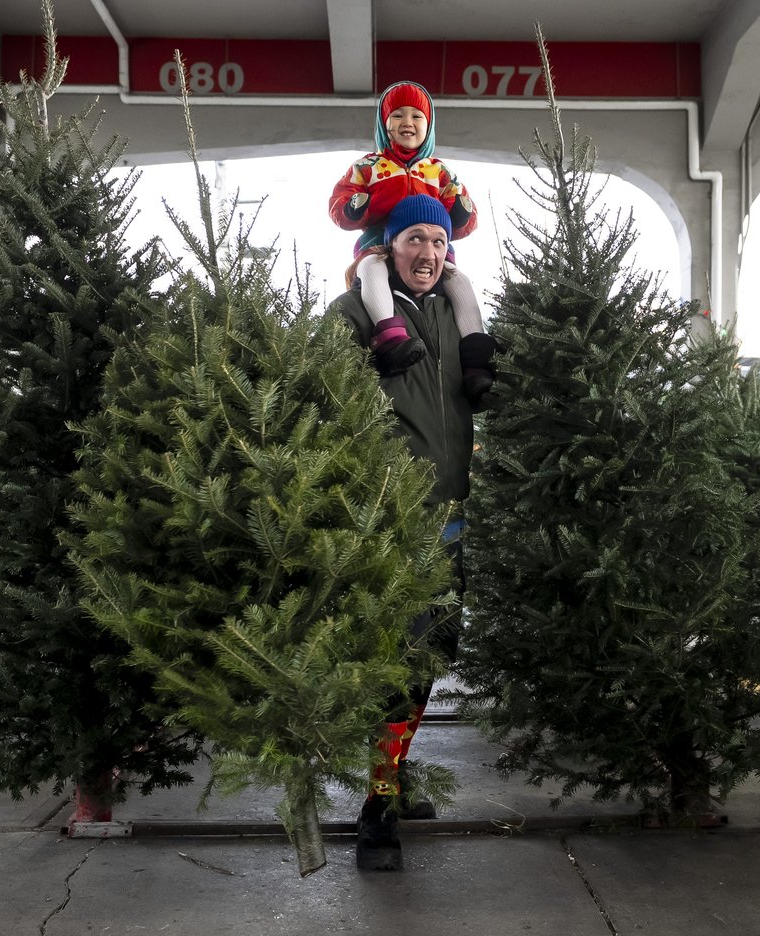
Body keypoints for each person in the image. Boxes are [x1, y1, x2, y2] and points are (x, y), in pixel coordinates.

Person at [330, 194, 486, 871]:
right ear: (387, 246)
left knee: (429, 659)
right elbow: (320, 397)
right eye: (413, 239)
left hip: (451, 517)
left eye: (437, 241)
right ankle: (376, 809)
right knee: (399, 662)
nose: (426, 252)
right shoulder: (354, 314)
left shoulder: (459, 314)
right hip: (391, 519)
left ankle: (390, 774)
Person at [329, 80, 496, 399]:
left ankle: (475, 358)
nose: (408, 123)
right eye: (398, 116)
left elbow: (464, 214)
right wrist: (355, 208)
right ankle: (390, 334)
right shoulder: (369, 166)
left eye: (417, 116)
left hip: (432, 252)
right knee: (372, 270)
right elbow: (341, 201)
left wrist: (461, 214)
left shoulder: (438, 171)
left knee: (459, 282)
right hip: (378, 243)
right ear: (384, 124)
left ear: (429, 125)